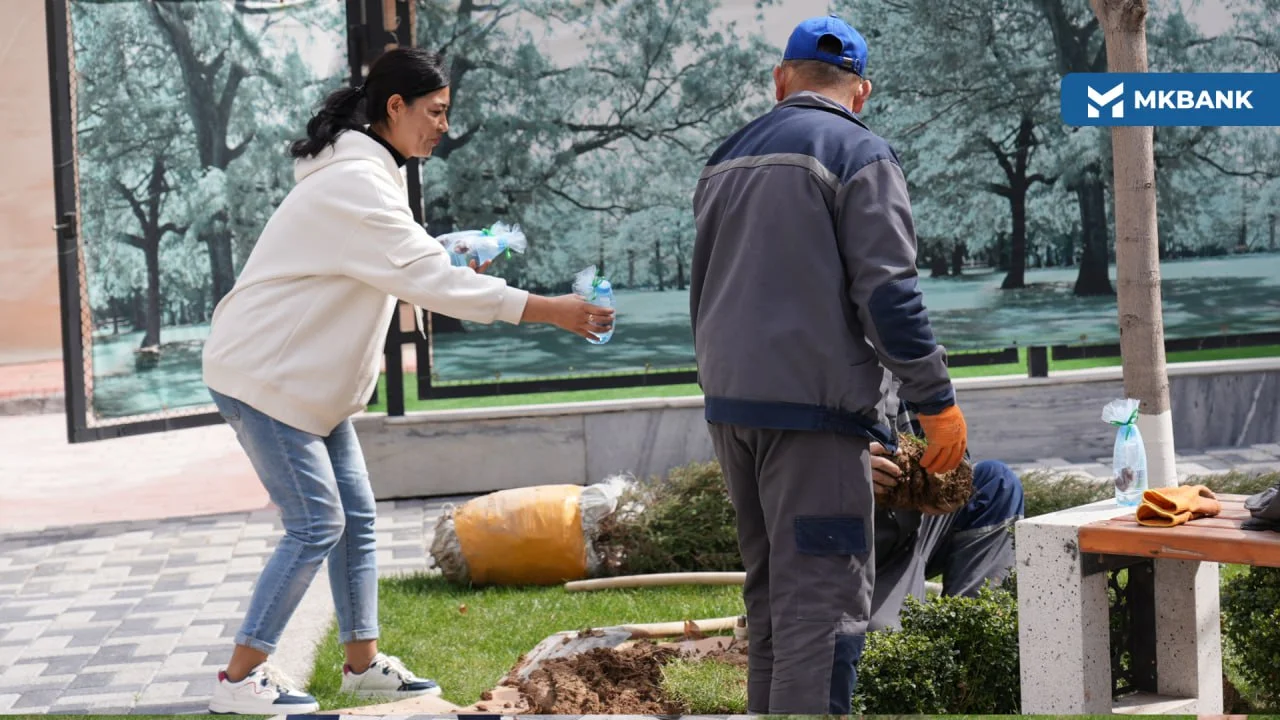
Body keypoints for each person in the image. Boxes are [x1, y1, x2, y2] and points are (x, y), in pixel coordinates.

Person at [201, 48, 613, 715]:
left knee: (357, 518)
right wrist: (550, 311)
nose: (443, 127)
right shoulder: (354, 186)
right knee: (317, 524)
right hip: (265, 377)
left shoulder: (370, 174)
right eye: (435, 112)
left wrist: (447, 246)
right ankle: (239, 681)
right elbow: (430, 280)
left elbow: (399, 258)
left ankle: (361, 665)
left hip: (308, 385)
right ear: (395, 107)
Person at [689, 15, 969, 715]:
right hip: (816, 421)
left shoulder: (726, 157)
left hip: (733, 414)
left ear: (782, 81)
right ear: (862, 92)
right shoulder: (859, 153)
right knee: (823, 612)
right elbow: (888, 293)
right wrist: (934, 402)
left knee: (775, 606)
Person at [868, 374, 1025, 632]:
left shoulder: (914, 364)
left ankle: (972, 631)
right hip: (842, 542)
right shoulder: (802, 363)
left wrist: (943, 482)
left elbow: (955, 455)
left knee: (996, 484)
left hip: (908, 523)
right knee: (883, 637)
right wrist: (846, 469)